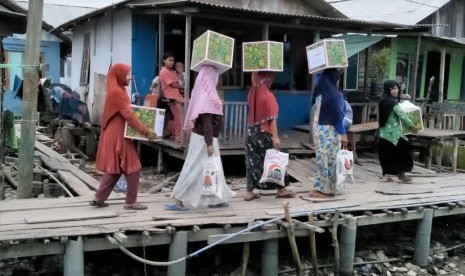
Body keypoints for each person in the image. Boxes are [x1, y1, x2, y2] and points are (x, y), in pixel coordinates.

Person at [167, 65, 235, 210]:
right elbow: (206, 123)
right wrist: (209, 143)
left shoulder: (207, 94)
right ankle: (178, 197)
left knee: (212, 167)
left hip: (206, 138)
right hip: (204, 139)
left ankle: (217, 198)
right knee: (194, 167)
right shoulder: (207, 96)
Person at [90, 63, 157, 210]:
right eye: (127, 75)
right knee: (133, 166)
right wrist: (145, 131)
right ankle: (131, 202)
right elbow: (128, 115)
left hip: (114, 132)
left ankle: (99, 198)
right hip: (117, 134)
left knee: (116, 168)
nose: (129, 78)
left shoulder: (117, 89)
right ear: (119, 75)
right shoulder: (117, 92)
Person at [244, 71, 295, 201]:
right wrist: (276, 137)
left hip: (251, 131)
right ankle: (281, 189)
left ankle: (249, 192)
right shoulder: (268, 95)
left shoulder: (252, 93)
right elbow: (272, 118)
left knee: (252, 162)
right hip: (263, 131)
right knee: (274, 160)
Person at [309, 68, 348, 198]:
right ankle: (328, 187)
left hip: (325, 132)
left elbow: (337, 118)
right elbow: (338, 117)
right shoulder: (333, 95)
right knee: (327, 160)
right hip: (326, 133)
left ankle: (325, 190)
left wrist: (343, 135)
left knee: (325, 160)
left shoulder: (325, 94)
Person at [378, 80, 419, 183]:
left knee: (386, 154)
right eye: (392, 89)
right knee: (402, 154)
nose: (395, 91)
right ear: (388, 89)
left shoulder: (382, 100)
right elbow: (402, 115)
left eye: (396, 88)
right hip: (395, 134)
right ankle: (401, 175)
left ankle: (386, 175)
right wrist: (413, 126)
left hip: (383, 133)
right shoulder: (393, 102)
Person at [159, 52, 184, 143]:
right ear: (164, 61)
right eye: (169, 60)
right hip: (172, 96)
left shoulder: (172, 71)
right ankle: (178, 137)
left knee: (179, 117)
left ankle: (179, 135)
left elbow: (178, 81)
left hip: (177, 96)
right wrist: (183, 87)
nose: (171, 62)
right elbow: (172, 84)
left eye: (172, 60)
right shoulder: (164, 71)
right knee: (178, 117)